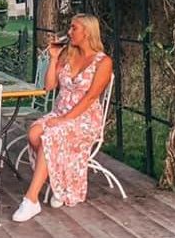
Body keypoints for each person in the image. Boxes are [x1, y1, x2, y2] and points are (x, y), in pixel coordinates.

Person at [12, 13, 113, 222]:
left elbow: (91, 97)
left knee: (51, 136)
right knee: (34, 133)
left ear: (87, 32)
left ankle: (31, 200)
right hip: (60, 112)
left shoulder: (103, 62)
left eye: (74, 28)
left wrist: (66, 119)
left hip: (84, 118)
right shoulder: (68, 55)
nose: (69, 32)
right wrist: (54, 58)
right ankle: (58, 184)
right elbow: (49, 86)